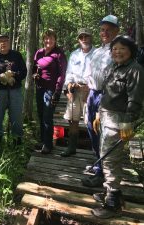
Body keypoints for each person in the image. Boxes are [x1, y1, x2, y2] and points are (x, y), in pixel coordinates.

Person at [91, 35, 144, 218]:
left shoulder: (135, 70)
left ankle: (113, 203)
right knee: (105, 156)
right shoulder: (113, 67)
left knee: (110, 159)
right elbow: (105, 92)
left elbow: (135, 99)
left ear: (131, 50)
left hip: (119, 120)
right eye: (114, 49)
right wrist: (98, 113)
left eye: (122, 48)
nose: (118, 52)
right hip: (106, 117)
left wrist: (128, 123)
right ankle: (113, 193)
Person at [81, 15, 120, 187]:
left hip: (107, 96)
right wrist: (87, 94)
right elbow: (89, 74)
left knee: (104, 134)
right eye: (103, 29)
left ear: (116, 31)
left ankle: (102, 174)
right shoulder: (97, 51)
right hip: (93, 95)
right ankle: (99, 164)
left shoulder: (118, 51)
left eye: (109, 30)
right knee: (92, 131)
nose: (105, 33)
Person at [0, 34, 27, 153]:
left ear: (9, 43)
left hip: (15, 91)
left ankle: (17, 145)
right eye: (0, 41)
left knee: (16, 117)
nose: (3, 43)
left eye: (5, 41)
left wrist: (14, 75)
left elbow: (24, 72)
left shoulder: (16, 55)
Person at [60, 28, 95, 157]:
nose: (84, 39)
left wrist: (91, 87)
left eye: (86, 36)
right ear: (78, 40)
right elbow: (69, 72)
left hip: (89, 91)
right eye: (81, 37)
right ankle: (71, 147)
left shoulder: (97, 53)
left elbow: (99, 74)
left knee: (91, 121)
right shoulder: (74, 54)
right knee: (72, 120)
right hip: (74, 89)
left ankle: (95, 151)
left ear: (91, 37)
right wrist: (67, 88)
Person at [33, 29, 67, 154]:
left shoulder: (59, 54)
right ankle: (43, 141)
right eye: (46, 38)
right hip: (39, 88)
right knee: (41, 115)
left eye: (51, 38)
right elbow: (34, 67)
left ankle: (48, 144)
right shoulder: (39, 52)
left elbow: (62, 74)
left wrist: (57, 91)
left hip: (51, 89)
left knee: (47, 117)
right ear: (43, 39)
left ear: (55, 40)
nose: (49, 41)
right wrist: (34, 75)